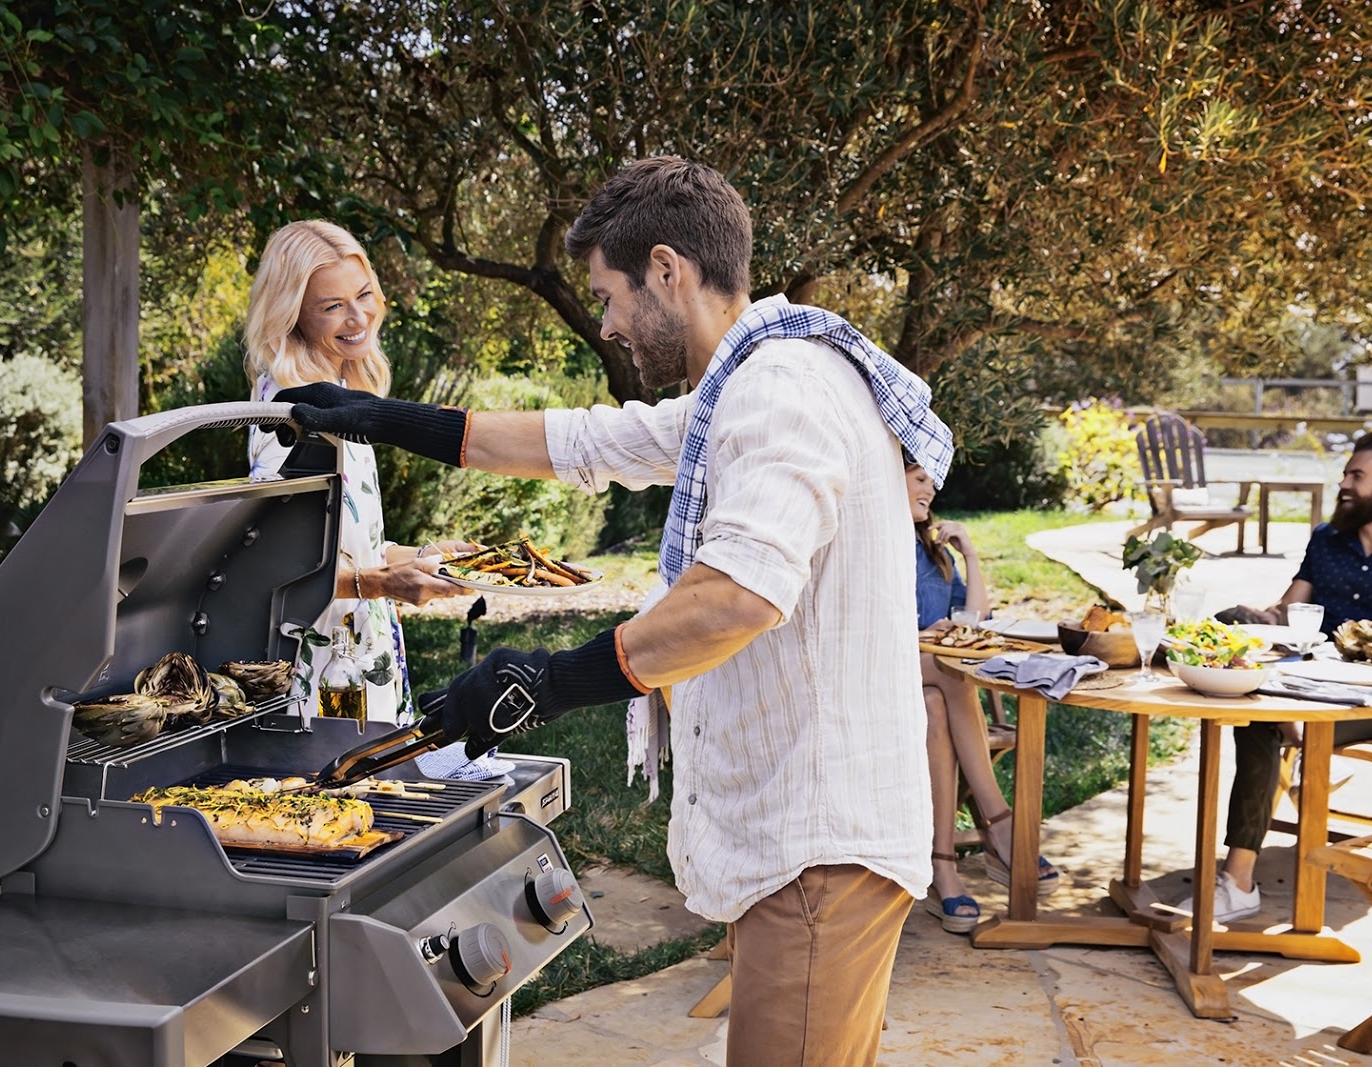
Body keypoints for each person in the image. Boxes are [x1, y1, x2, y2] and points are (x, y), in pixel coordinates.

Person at [272, 157, 954, 1066]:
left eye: (608, 296)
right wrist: (383, 416)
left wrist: (544, 684)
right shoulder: (748, 380)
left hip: (818, 849)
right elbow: (588, 441)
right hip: (811, 843)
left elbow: (737, 596)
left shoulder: (779, 391)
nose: (605, 324)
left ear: (666, 270)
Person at [1195, 428, 1372, 922]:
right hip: (1307, 686)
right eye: (1346, 473)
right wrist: (1260, 618)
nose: (1344, 483)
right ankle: (1241, 877)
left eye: (1357, 474)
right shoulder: (1326, 541)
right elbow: (1292, 606)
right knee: (1234, 628)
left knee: (1267, 721)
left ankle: (1299, 751)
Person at [243, 220, 472, 724]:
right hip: (318, 663)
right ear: (293, 316)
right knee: (334, 797)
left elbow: (352, 543)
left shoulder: (338, 395)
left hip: (362, 649)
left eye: (364, 294)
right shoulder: (285, 412)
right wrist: (382, 584)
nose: (358, 316)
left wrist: (425, 557)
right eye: (332, 306)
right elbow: (271, 566)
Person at [908, 462, 1061, 933]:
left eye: (933, 481)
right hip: (886, 666)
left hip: (930, 681)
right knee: (956, 674)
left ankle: (943, 867)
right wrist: (920, 631)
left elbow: (976, 619)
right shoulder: (873, 542)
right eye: (918, 477)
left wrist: (969, 555)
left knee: (937, 705)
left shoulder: (934, 551)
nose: (929, 488)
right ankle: (1000, 823)